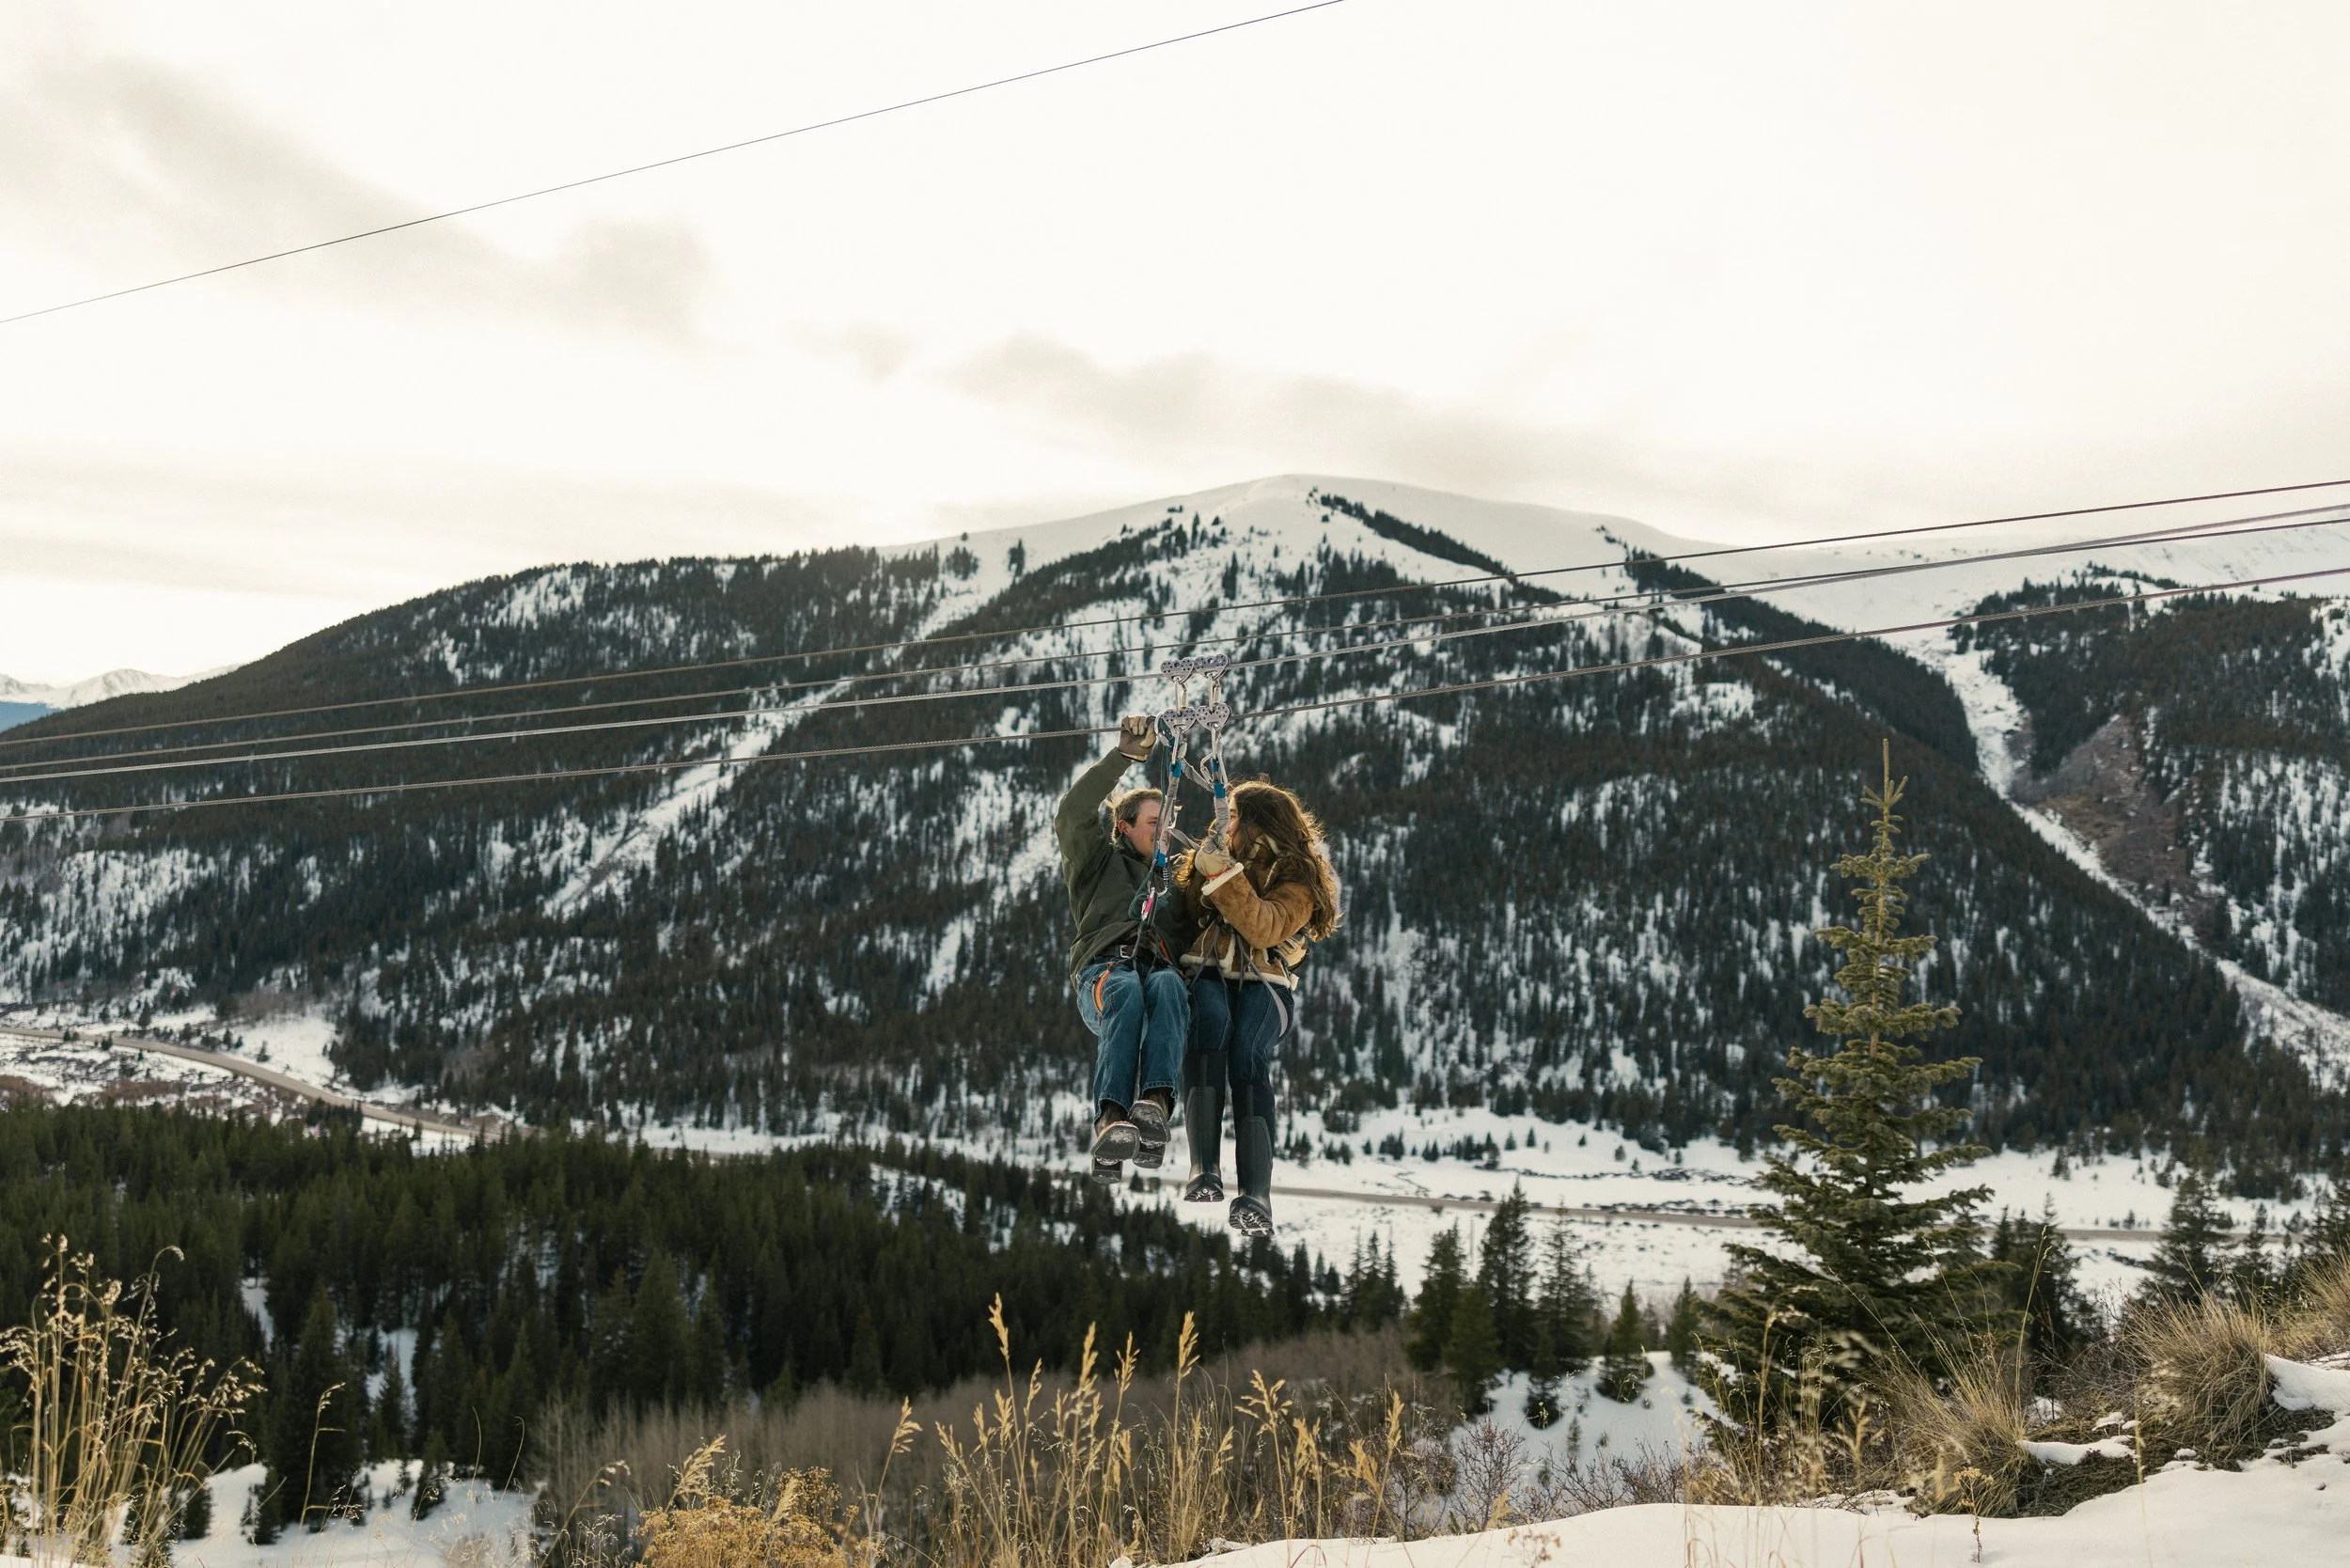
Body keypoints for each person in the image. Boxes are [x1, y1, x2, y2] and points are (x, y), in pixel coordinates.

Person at [1172, 779, 1341, 1236]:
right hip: (1208, 967)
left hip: (1266, 983)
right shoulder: (1221, 854)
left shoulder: (1299, 877)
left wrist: (1224, 876)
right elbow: (1193, 910)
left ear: (1253, 823)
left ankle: (1256, 1194)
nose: (1227, 825)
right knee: (1209, 1025)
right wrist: (1205, 871)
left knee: (1247, 1050)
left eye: (1234, 818)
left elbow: (1265, 927)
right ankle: (1203, 1167)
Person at [1056, 713, 1189, 1184]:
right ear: (1125, 825)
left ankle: (1154, 1106)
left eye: (1168, 823)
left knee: (1170, 984)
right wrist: (1124, 758)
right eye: (1154, 822)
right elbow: (1072, 814)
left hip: (1155, 976)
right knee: (1126, 988)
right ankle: (1110, 1118)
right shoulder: (1098, 864)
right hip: (1104, 976)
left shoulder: (1172, 884)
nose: (1164, 831)